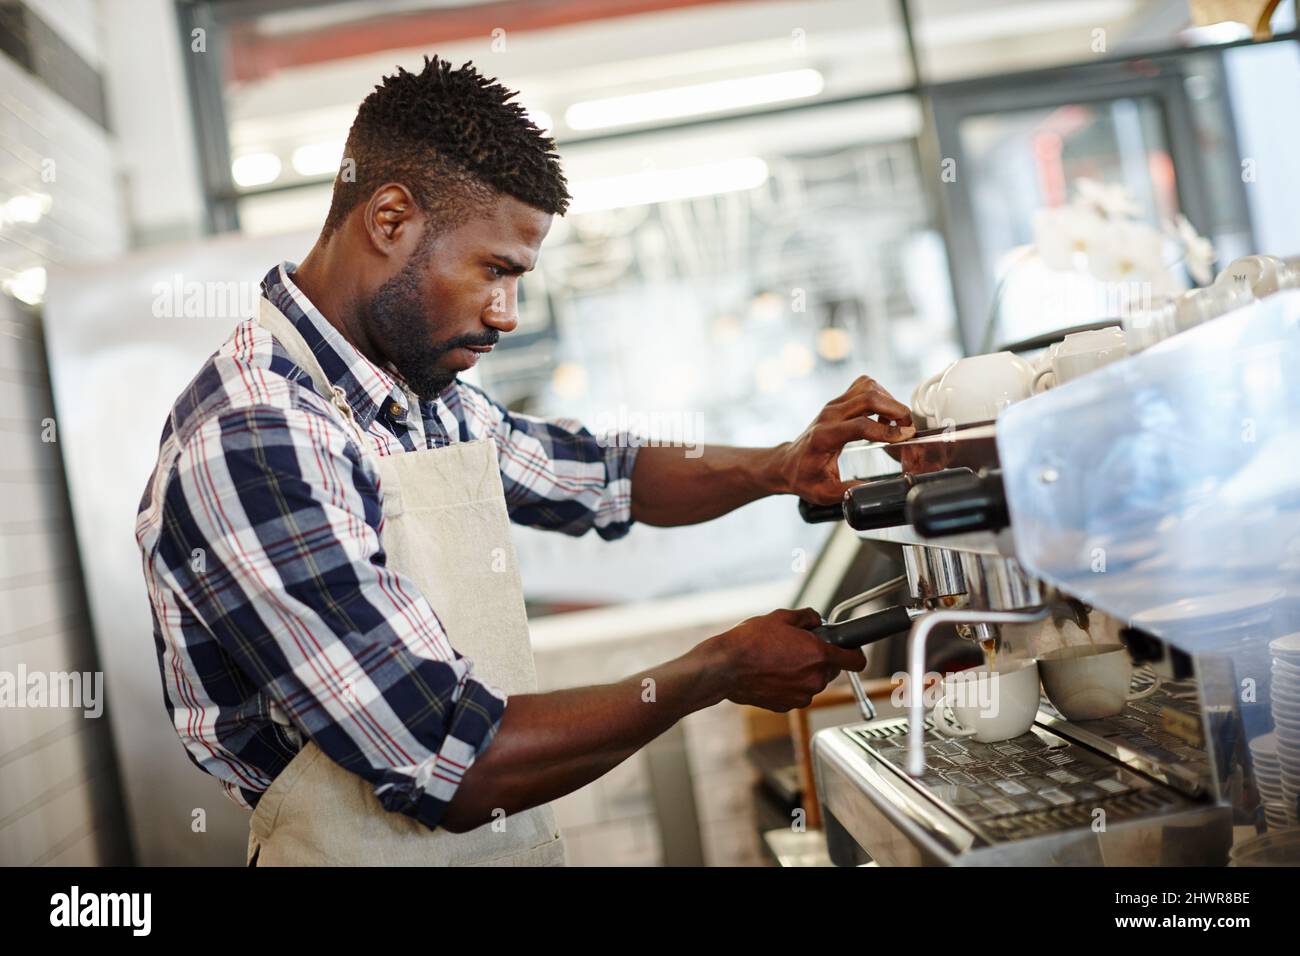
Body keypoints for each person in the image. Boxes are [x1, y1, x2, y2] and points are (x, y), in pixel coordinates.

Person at [135, 56, 915, 866]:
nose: (506, 314)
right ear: (391, 219)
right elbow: (450, 760)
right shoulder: (254, 437)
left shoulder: (415, 393)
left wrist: (781, 465)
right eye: (495, 271)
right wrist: (714, 670)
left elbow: (600, 475)